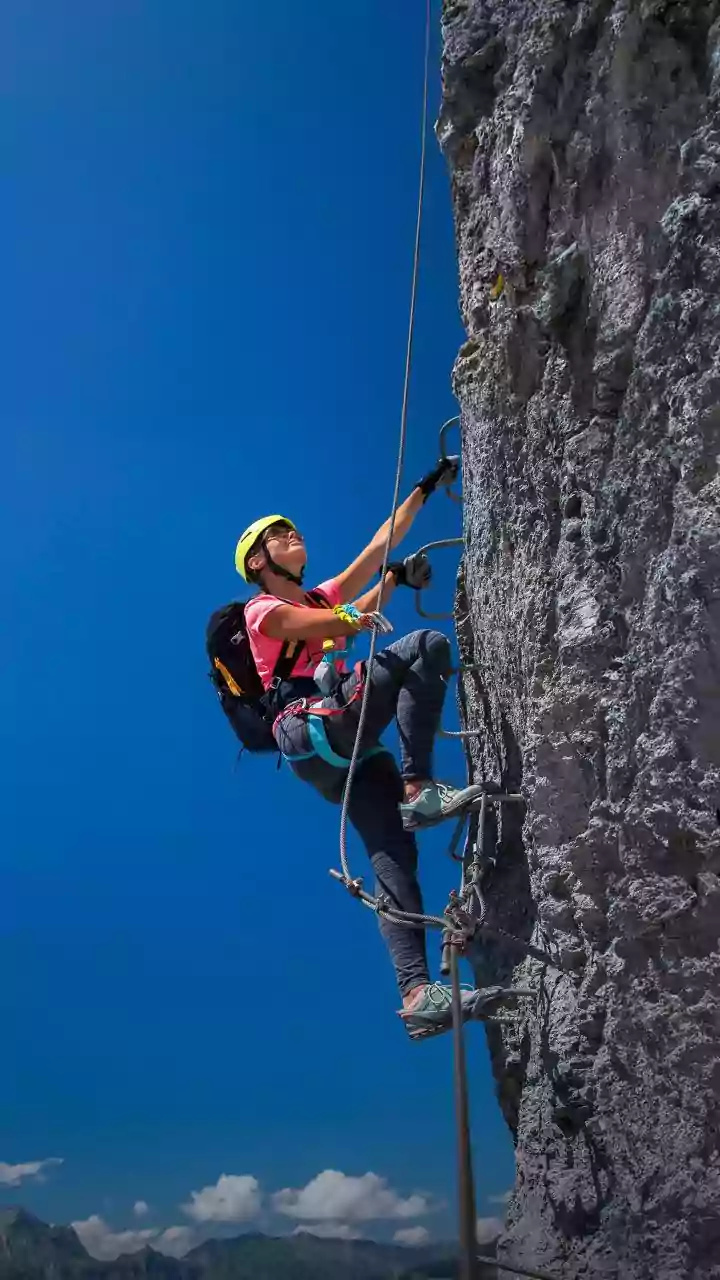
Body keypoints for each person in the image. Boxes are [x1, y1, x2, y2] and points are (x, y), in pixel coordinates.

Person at [235, 457, 486, 1040]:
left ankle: (418, 992)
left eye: (290, 528)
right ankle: (419, 785)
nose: (291, 534)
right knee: (423, 645)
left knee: (393, 856)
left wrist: (426, 487)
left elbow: (379, 545)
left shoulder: (320, 599)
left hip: (333, 750)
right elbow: (302, 626)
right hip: (310, 724)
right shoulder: (260, 609)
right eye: (277, 534)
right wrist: (353, 614)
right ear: (258, 563)